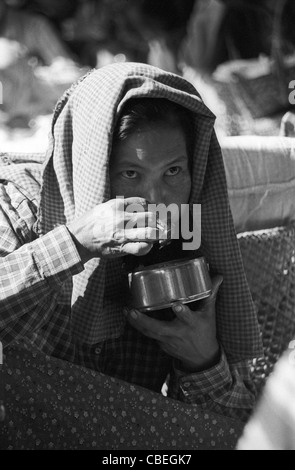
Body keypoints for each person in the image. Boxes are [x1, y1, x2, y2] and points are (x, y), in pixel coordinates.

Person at [0, 62, 263, 421]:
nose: (156, 198)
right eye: (130, 174)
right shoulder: (17, 207)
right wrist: (77, 242)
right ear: (90, 169)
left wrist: (202, 359)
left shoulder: (188, 242)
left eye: (173, 171)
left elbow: (236, 432)